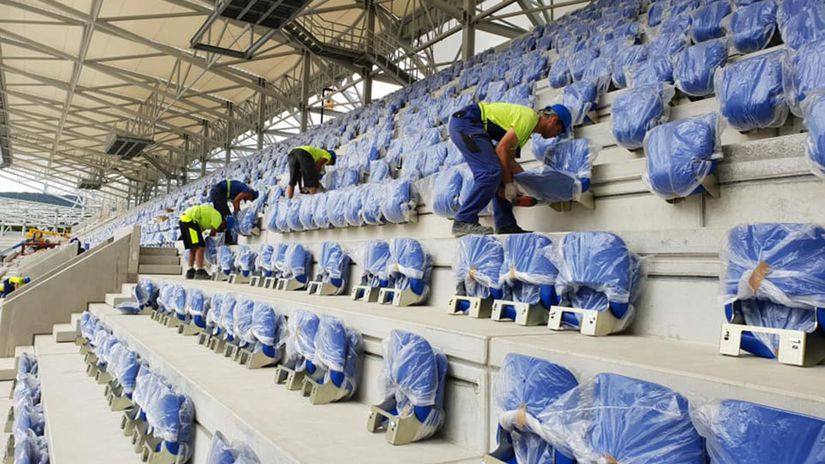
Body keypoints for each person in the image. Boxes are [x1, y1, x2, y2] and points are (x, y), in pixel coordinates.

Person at [448, 102, 572, 236]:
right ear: (553, 120)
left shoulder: (526, 130)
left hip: (471, 125)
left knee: (502, 172)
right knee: (490, 173)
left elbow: (508, 161)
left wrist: (527, 186)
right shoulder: (529, 119)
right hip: (467, 122)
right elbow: (501, 150)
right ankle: (463, 220)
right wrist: (509, 184)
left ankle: (505, 225)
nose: (555, 136)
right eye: (558, 131)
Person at [179, 204, 226, 280]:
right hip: (190, 220)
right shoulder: (219, 218)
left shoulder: (208, 218)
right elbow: (212, 233)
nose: (222, 229)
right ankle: (199, 271)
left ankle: (190, 271)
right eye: (224, 227)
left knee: (193, 247)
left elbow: (199, 231)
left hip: (183, 220)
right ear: (224, 222)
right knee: (200, 246)